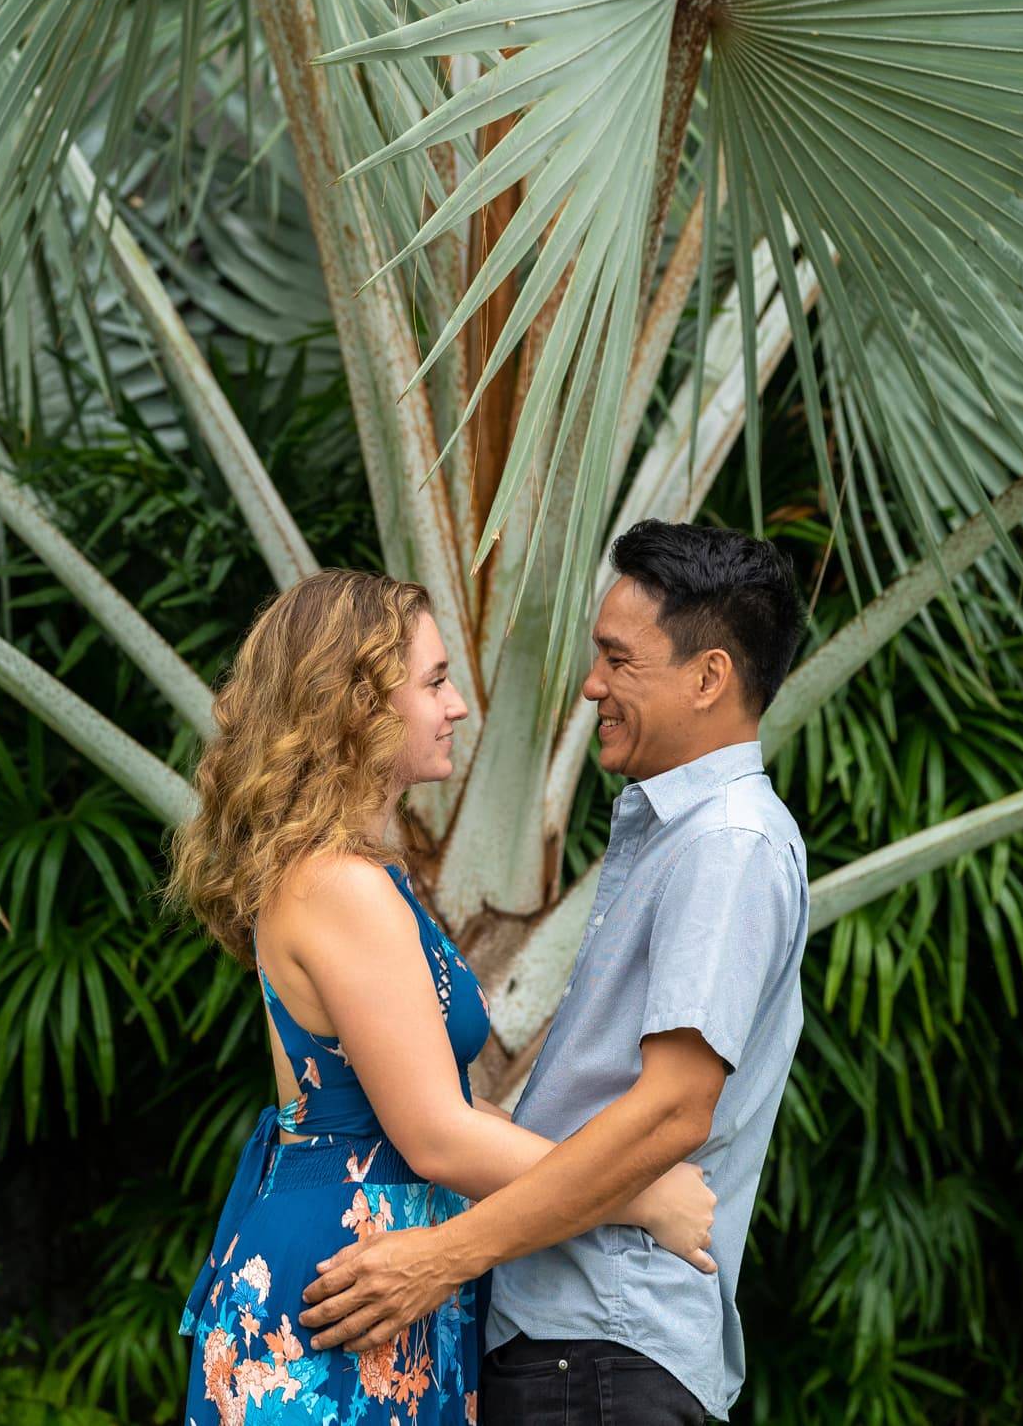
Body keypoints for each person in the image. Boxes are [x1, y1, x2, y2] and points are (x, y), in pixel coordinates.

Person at [170, 569, 718, 1426]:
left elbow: (448, 1106)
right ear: (357, 707)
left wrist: (600, 1170)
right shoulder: (339, 885)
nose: (457, 705)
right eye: (433, 682)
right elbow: (436, 1135)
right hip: (349, 1276)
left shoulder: (356, 875)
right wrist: (638, 1197)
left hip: (381, 1262)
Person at [298, 524, 810, 1425]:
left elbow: (674, 1110)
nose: (591, 684)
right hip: (583, 1345)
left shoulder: (726, 844)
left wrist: (443, 1256)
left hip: (604, 1346)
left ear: (708, 677)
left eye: (619, 659)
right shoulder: (685, 835)